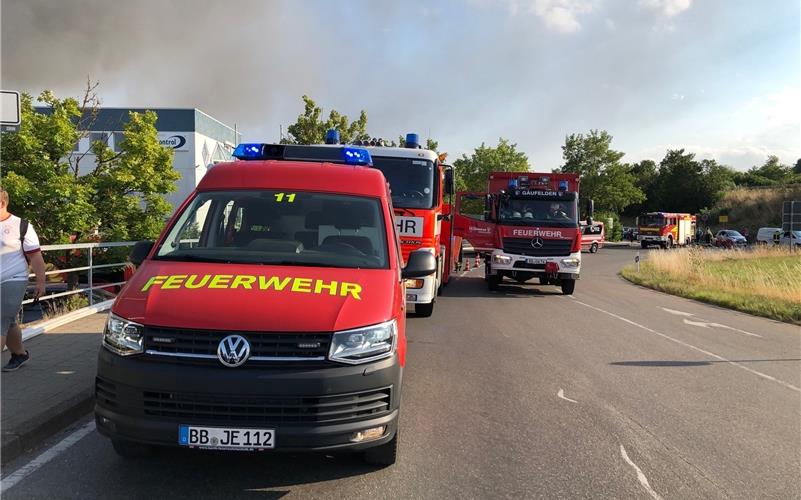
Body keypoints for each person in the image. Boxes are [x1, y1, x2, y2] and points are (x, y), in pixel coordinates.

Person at [1, 188, 46, 372]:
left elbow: (35, 256)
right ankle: (19, 354)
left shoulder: (21, 225)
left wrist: (41, 282)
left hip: (14, 278)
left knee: (0, 319)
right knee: (8, 320)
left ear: (2, 203)